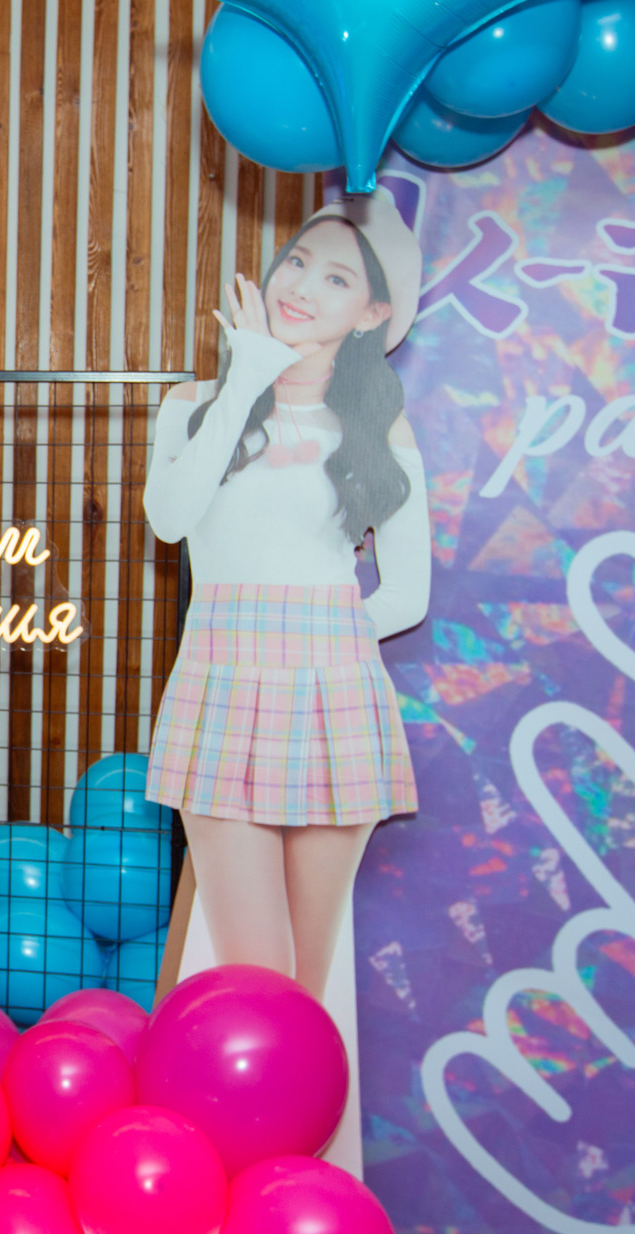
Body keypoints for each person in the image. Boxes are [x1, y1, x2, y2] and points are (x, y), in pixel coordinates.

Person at [142, 191, 431, 1004]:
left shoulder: (377, 430)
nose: (301, 285)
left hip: (333, 697)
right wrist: (245, 379)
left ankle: (304, 1100)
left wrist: (318, 638)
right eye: (297, 261)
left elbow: (407, 594)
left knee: (309, 982)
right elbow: (169, 520)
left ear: (372, 313)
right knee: (256, 977)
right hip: (221, 689)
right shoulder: (194, 406)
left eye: (337, 279)